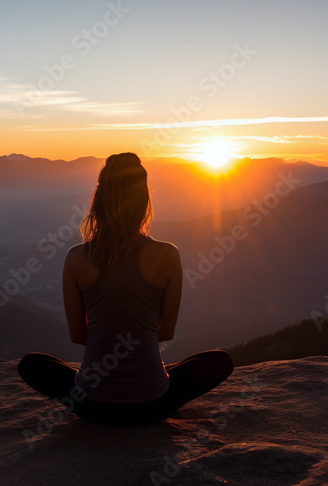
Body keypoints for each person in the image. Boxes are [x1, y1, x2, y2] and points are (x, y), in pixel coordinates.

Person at [18, 152, 234, 425]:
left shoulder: (76, 258)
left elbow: (78, 335)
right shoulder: (167, 255)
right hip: (153, 405)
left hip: (92, 405)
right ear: (144, 202)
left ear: (99, 201)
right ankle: (151, 376)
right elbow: (165, 332)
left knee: (32, 364)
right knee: (219, 361)